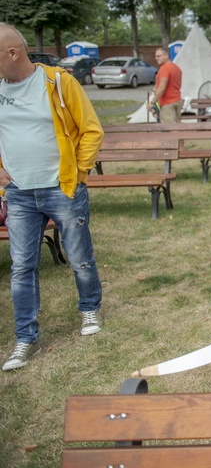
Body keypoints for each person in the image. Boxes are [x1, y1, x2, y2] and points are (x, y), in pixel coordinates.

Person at [0, 23, 104, 371]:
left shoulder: (58, 82)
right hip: (18, 194)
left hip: (62, 189)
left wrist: (79, 173)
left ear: (13, 52)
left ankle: (89, 309)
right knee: (22, 267)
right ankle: (25, 337)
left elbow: (91, 129)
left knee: (79, 256)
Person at [149, 48, 183, 123]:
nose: (156, 58)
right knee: (177, 127)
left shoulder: (164, 69)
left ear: (166, 55)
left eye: (159, 56)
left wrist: (152, 102)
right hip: (177, 100)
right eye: (156, 56)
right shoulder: (177, 68)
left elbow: (162, 88)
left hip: (167, 104)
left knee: (170, 130)